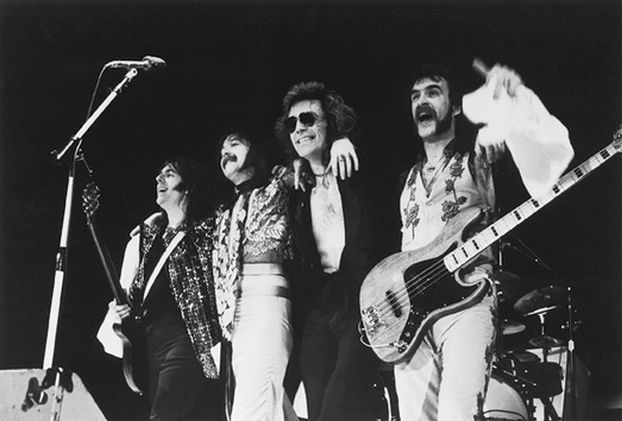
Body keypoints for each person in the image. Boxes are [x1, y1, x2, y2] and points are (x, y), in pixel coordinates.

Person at [392, 61, 574, 421]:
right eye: (415, 96)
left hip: (467, 301)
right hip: (414, 317)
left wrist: (517, 102)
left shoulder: (479, 157)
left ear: (455, 107)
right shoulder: (407, 178)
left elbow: (543, 165)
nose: (421, 101)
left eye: (433, 92)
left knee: (458, 412)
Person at [274, 81, 382, 421]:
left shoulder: (357, 168)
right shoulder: (297, 187)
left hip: (362, 300)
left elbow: (390, 142)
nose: (299, 128)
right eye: (292, 123)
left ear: (331, 123)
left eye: (308, 119)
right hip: (319, 308)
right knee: (318, 406)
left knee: (339, 405)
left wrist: (345, 139)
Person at [98, 157, 223, 421]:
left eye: (170, 174)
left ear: (188, 186)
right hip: (151, 344)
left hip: (186, 340)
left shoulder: (206, 229)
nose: (159, 179)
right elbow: (135, 292)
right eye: (159, 174)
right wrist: (121, 308)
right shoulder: (150, 237)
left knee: (164, 414)